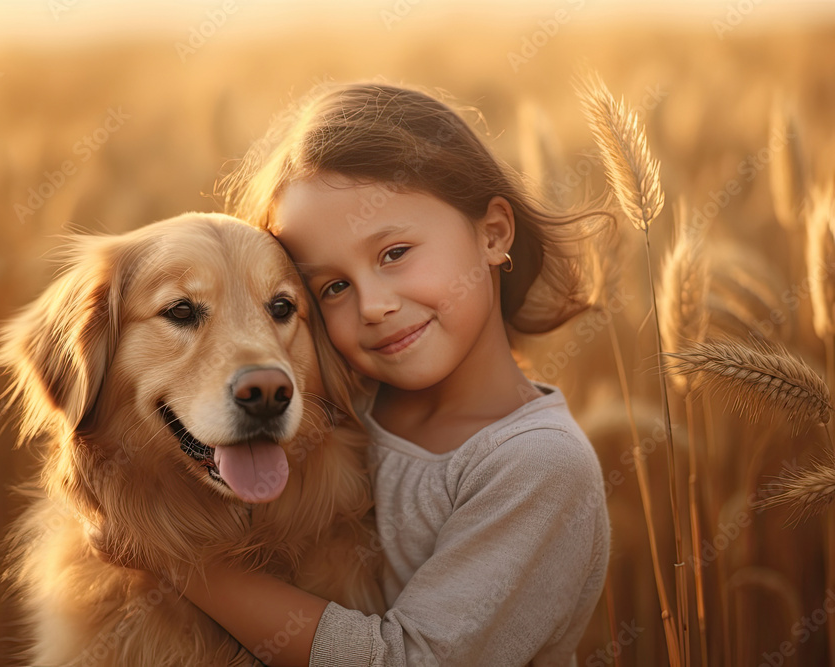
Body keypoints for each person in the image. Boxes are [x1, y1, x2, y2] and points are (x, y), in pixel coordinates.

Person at [179, 81, 615, 666]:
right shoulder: (341, 410)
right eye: (332, 287)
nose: (373, 306)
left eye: (394, 253)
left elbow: (409, 660)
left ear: (492, 234)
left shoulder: (537, 465)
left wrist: (183, 569)